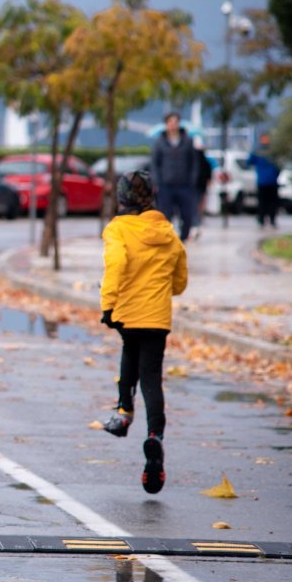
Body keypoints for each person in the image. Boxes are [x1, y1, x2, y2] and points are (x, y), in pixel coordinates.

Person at [98, 170, 187, 495]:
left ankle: (123, 413)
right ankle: (155, 437)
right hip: (157, 316)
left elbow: (116, 265)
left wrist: (108, 306)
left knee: (128, 353)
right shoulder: (167, 231)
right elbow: (180, 281)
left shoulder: (119, 228)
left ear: (122, 197)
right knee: (151, 376)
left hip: (128, 313)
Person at [150, 112, 200, 241]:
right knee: (165, 215)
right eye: (169, 123)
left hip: (185, 185)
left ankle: (183, 238)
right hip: (166, 185)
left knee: (187, 215)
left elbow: (194, 162)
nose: (172, 125)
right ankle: (167, 238)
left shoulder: (188, 141)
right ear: (166, 125)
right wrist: (156, 182)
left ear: (178, 124)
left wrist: (193, 180)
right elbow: (154, 163)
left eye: (175, 122)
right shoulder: (159, 142)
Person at [248, 134, 281, 228]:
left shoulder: (258, 151)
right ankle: (271, 219)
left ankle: (262, 219)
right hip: (272, 181)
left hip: (262, 181)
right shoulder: (273, 152)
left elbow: (249, 161)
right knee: (272, 202)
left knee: (262, 201)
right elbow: (279, 166)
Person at [192, 136, 212, 241]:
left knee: (196, 205)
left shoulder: (194, 157)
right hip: (199, 186)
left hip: (196, 186)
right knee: (199, 205)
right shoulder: (203, 158)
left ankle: (196, 222)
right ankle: (197, 221)